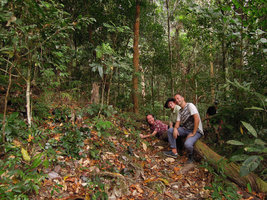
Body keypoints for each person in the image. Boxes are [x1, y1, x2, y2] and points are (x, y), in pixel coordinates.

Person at [164, 94, 204, 163]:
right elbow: (177, 122)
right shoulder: (180, 111)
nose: (177, 100)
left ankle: (190, 156)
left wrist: (193, 133)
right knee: (170, 130)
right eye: (176, 99)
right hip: (186, 129)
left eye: (178, 98)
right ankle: (174, 152)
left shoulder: (190, 106)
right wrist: (175, 129)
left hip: (196, 130)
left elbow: (196, 118)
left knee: (187, 144)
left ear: (183, 98)